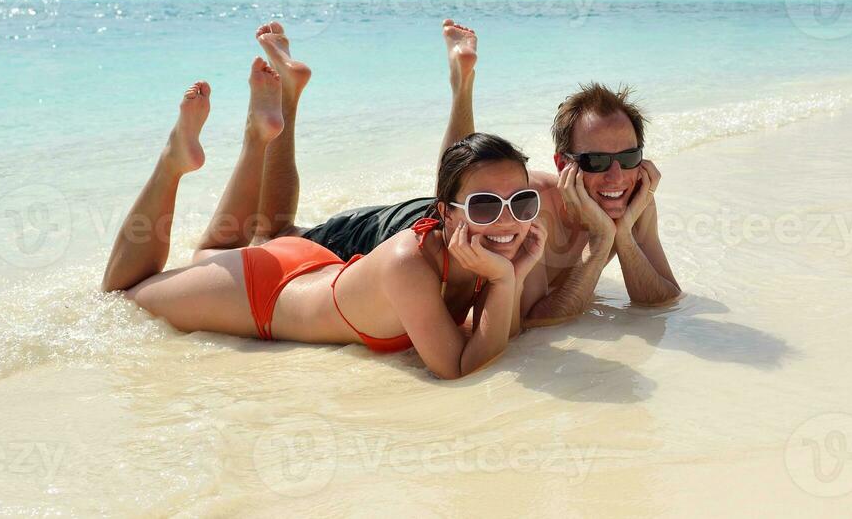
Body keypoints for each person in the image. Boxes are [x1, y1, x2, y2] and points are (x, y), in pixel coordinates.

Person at [100, 24, 546, 380]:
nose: (509, 219)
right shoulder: (409, 261)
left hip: (311, 264)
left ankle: (258, 134)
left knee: (214, 250)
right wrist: (507, 282)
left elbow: (498, 338)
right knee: (121, 295)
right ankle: (172, 162)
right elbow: (458, 369)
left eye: (523, 202)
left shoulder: (483, 250)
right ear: (446, 211)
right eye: (486, 205)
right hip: (266, 292)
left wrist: (512, 273)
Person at [299, 19, 679, 325]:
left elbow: (660, 301)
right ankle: (460, 87)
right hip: (402, 231)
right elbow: (533, 321)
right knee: (278, 235)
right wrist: (599, 248)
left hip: (444, 225)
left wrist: (622, 236)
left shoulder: (632, 198)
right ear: (563, 164)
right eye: (596, 162)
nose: (616, 177)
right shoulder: (528, 205)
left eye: (629, 158)